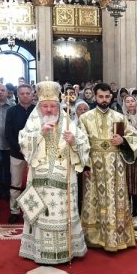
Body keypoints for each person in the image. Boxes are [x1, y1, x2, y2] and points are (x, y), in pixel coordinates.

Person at [18, 81, 90, 264]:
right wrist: (39, 134)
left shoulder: (68, 122)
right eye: (45, 106)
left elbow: (84, 145)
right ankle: (39, 252)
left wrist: (73, 141)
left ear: (58, 106)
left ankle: (66, 251)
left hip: (64, 178)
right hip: (40, 179)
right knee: (41, 215)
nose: (49, 110)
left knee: (63, 215)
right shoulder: (33, 122)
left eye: (52, 106)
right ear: (39, 106)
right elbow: (23, 142)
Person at [79, 82, 137, 251]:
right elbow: (81, 144)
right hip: (94, 164)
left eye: (107, 97)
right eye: (101, 96)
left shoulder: (119, 117)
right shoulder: (85, 118)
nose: (104, 100)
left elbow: (135, 136)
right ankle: (94, 237)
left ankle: (117, 236)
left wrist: (123, 140)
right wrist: (85, 166)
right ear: (95, 96)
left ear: (111, 97)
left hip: (116, 165)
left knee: (116, 198)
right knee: (94, 199)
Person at [4, 83, 35, 223]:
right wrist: (20, 149)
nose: (25, 96)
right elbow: (8, 134)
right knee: (15, 184)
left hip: (35, 155)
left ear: (32, 94)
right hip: (16, 154)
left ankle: (30, 212)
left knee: (32, 184)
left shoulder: (37, 111)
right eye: (22, 93)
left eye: (28, 93)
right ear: (18, 95)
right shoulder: (11, 111)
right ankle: (14, 211)